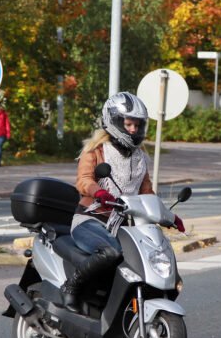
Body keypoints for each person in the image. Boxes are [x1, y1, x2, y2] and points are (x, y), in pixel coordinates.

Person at [60, 92, 185, 313]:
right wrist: (99, 192)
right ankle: (71, 287)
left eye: (138, 125)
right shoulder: (96, 151)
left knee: (147, 258)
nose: (134, 129)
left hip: (126, 226)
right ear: (114, 121)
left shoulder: (140, 158)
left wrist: (169, 216)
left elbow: (147, 193)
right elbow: (84, 180)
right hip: (91, 220)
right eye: (128, 124)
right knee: (110, 252)